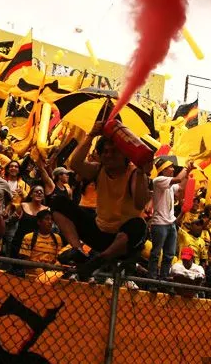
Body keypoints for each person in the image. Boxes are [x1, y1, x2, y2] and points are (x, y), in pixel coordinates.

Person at [60, 120, 152, 281]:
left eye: (114, 151)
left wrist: (141, 173)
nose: (109, 155)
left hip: (123, 241)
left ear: (125, 155)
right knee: (58, 203)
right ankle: (78, 250)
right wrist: (91, 135)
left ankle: (100, 260)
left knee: (137, 225)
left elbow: (139, 203)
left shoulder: (133, 173)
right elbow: (75, 163)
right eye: (105, 151)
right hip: (100, 233)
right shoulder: (98, 169)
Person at [147, 159, 192, 281]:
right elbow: (178, 180)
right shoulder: (158, 180)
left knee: (169, 255)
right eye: (170, 167)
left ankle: (164, 278)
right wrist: (186, 169)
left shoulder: (169, 185)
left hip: (171, 223)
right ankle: (152, 280)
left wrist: (188, 174)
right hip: (159, 224)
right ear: (163, 169)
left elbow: (181, 188)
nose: (173, 169)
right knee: (156, 254)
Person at [19, 209, 62, 277]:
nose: (50, 222)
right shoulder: (29, 237)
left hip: (51, 276)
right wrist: (42, 266)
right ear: (39, 222)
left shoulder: (57, 238)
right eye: (47, 219)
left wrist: (52, 267)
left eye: (51, 219)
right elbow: (24, 262)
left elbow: (59, 259)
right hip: (32, 276)